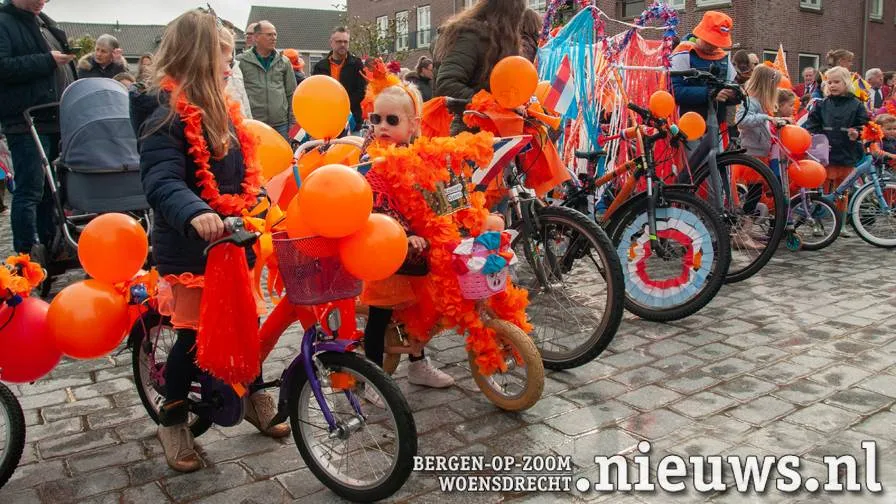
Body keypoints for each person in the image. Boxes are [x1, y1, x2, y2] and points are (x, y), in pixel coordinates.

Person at [139, 9, 290, 473]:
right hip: (190, 246)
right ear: (199, 57)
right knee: (192, 338)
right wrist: (197, 213)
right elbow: (163, 182)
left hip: (233, 241)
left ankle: (252, 398)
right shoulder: (163, 115)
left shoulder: (226, 111)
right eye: (224, 57)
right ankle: (173, 416)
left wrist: (266, 205)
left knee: (248, 324)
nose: (230, 66)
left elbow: (245, 178)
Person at [361, 73, 455, 389]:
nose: (382, 126)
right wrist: (403, 231)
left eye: (391, 119)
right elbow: (377, 203)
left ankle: (418, 363)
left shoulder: (418, 159)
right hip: (383, 249)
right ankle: (373, 379)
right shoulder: (371, 159)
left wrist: (449, 218)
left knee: (418, 309)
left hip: (416, 251)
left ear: (413, 125)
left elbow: (433, 198)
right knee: (379, 315)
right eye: (376, 119)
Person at [0, 0, 77, 255]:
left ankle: (51, 244)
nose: (43, 2)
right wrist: (47, 60)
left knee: (51, 189)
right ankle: (25, 256)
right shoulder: (4, 22)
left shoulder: (44, 21)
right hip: (26, 120)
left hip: (56, 116)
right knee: (30, 189)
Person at [803, 66, 869, 237]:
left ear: (846, 82)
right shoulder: (822, 104)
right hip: (826, 154)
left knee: (843, 191)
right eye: (829, 82)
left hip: (847, 152)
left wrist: (858, 132)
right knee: (820, 189)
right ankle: (817, 222)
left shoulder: (856, 105)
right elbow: (812, 124)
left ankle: (841, 223)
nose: (832, 85)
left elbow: (864, 125)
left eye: (837, 82)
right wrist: (815, 137)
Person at [432, 0, 526, 100]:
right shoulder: (470, 37)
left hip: (484, 113)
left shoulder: (496, 40)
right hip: (463, 113)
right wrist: (492, 104)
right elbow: (447, 85)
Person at [733, 64, 782, 250]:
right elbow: (741, 121)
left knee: (755, 194)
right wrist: (764, 118)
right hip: (752, 153)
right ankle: (741, 233)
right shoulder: (751, 101)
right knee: (753, 195)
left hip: (761, 152)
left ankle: (746, 228)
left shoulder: (759, 102)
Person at [671, 11, 738, 129]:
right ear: (701, 35)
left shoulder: (723, 58)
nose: (713, 46)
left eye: (717, 43)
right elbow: (674, 91)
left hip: (717, 126)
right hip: (689, 125)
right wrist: (710, 93)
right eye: (710, 41)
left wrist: (733, 94)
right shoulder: (683, 53)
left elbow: (733, 87)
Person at [237, 20, 296, 139]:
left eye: (275, 34)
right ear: (257, 37)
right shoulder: (241, 61)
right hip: (254, 124)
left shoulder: (284, 62)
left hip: (281, 125)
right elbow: (236, 93)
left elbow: (292, 93)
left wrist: (293, 123)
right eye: (269, 34)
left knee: (282, 157)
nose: (273, 38)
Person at [312, 27, 366, 133]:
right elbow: (315, 92)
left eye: (345, 42)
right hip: (327, 121)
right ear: (331, 43)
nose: (342, 44)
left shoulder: (356, 64)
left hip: (352, 120)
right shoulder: (320, 66)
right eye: (339, 41)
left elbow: (361, 91)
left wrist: (343, 105)